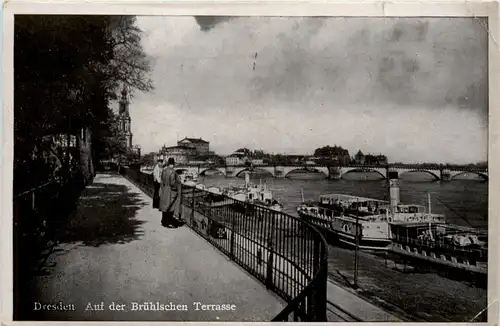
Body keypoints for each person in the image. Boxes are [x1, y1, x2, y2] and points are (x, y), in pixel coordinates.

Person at [159, 158, 182, 228]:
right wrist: (177, 189)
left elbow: (161, 182)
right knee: (170, 207)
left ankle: (163, 221)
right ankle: (168, 222)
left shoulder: (164, 171)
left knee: (165, 206)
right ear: (173, 164)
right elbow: (173, 183)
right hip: (170, 191)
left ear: (168, 163)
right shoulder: (173, 172)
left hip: (164, 190)